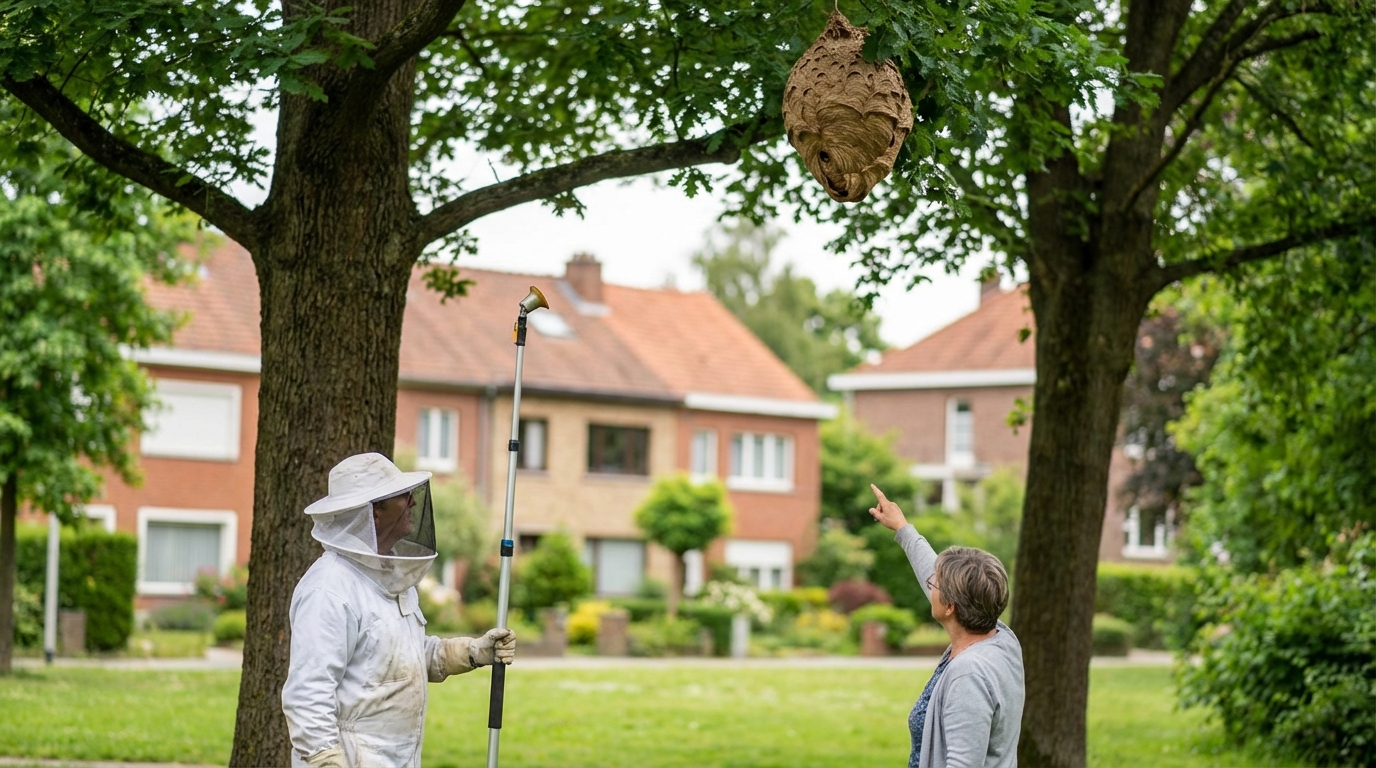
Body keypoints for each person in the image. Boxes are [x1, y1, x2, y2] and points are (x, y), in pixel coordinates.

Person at [282, 453, 516, 768]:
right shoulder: (329, 589)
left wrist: (474, 651)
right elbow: (308, 692)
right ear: (373, 512)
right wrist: (326, 760)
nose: (413, 504)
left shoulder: (390, 577)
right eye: (401, 496)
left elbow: (404, 656)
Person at [869, 484, 1024, 768]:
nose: (930, 586)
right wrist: (903, 529)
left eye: (934, 585)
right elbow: (934, 571)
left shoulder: (970, 676)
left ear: (951, 606)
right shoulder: (1001, 637)